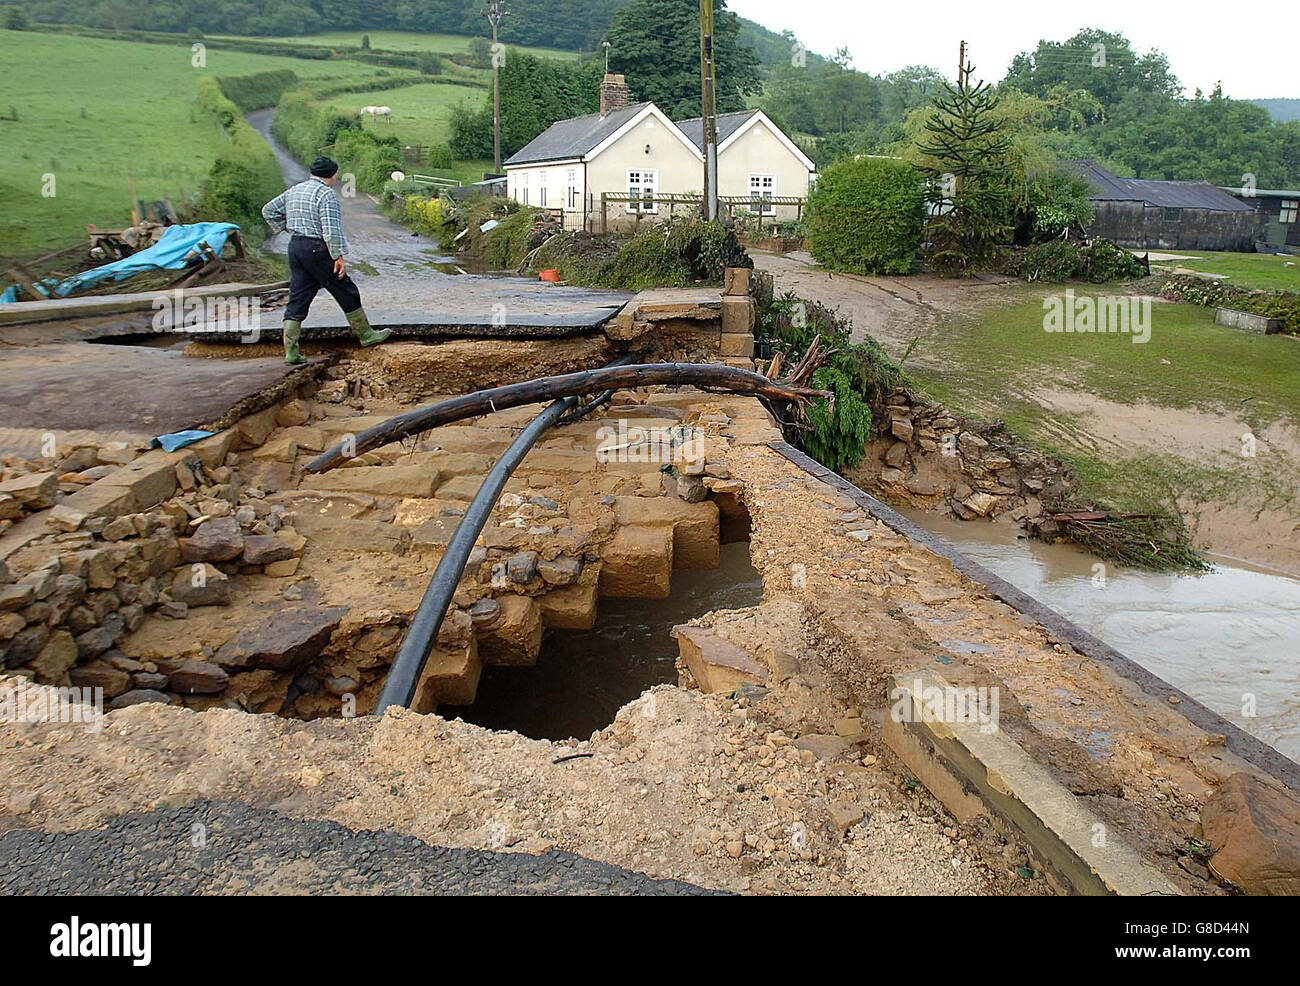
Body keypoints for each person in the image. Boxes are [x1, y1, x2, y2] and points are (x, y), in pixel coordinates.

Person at [261, 156, 390, 364]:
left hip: (295, 247)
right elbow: (331, 230)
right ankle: (366, 335)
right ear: (332, 175)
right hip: (317, 248)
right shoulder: (326, 194)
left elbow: (268, 210)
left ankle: (291, 352)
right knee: (345, 289)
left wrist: (286, 228)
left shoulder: (295, 190)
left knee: (298, 296)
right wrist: (338, 256)